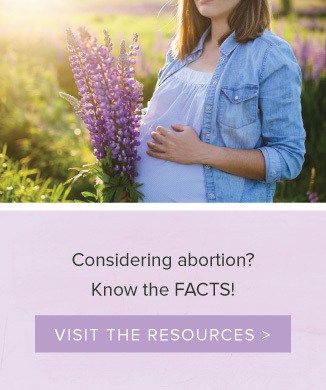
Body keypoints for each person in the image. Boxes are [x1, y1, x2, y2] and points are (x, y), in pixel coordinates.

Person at [136, 0, 306, 203]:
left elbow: (288, 157)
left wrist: (202, 153)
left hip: (214, 225)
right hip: (144, 217)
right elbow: (155, 120)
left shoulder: (269, 55)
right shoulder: (181, 51)